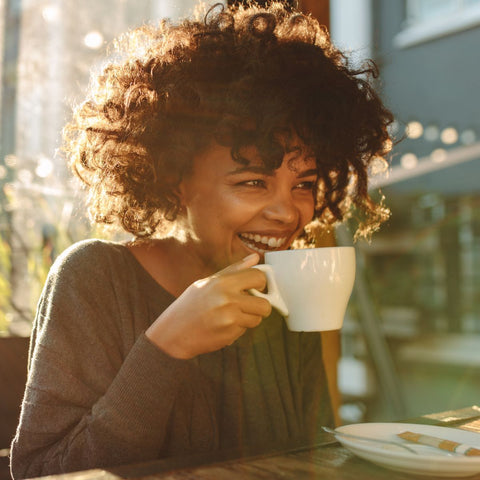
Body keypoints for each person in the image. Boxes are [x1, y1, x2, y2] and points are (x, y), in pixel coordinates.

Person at [11, 2, 393, 477]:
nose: (287, 211)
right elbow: (40, 471)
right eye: (253, 182)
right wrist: (166, 347)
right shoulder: (94, 277)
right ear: (174, 179)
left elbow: (307, 459)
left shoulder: (283, 289)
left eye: (304, 184)